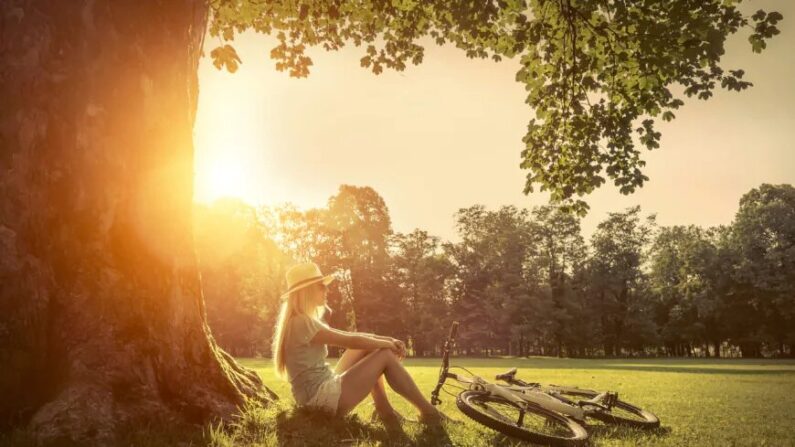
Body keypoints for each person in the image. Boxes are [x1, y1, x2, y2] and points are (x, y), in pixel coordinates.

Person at [272, 262, 444, 424]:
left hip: (317, 391)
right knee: (383, 354)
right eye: (321, 286)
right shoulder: (301, 322)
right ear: (306, 291)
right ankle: (429, 413)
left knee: (366, 349)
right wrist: (389, 345)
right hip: (319, 399)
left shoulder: (300, 321)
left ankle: (384, 411)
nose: (327, 290)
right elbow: (350, 340)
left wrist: (388, 340)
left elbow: (352, 336)